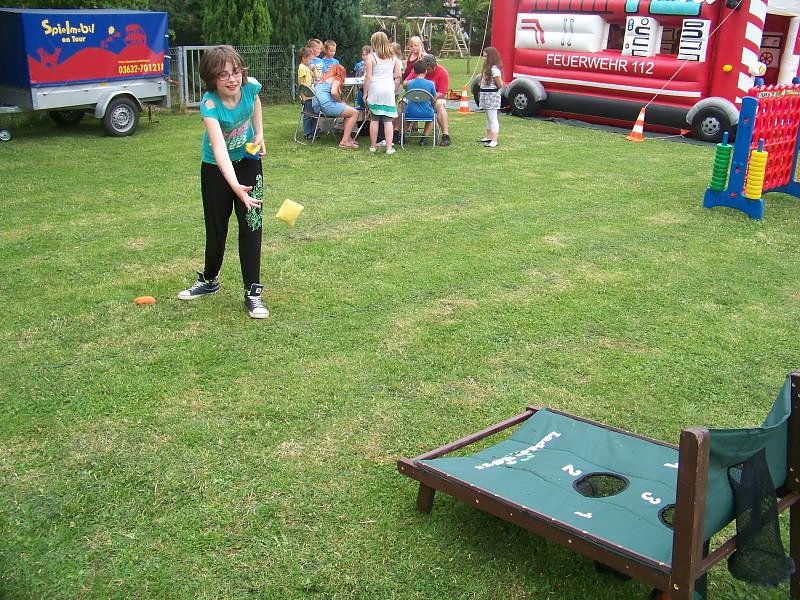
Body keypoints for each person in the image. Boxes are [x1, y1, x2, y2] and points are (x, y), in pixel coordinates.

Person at [177, 45, 269, 319]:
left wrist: (260, 132)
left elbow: (256, 101)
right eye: (223, 74)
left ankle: (253, 292)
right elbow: (218, 149)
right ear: (211, 78)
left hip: (249, 161)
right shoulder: (209, 104)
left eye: (236, 72)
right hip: (216, 169)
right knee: (217, 227)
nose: (232, 79)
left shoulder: (250, 86)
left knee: (252, 224)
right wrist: (235, 187)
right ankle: (209, 280)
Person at [364, 30, 402, 154]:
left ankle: (373, 146)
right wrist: (394, 88)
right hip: (388, 89)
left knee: (374, 119)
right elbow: (398, 75)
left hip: (375, 89)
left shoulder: (371, 57)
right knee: (388, 120)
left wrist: (365, 93)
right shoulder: (393, 57)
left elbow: (368, 77)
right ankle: (389, 148)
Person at [405, 53, 451, 146]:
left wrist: (426, 96)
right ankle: (397, 132)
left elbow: (442, 93)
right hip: (418, 97)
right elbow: (405, 82)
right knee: (401, 104)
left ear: (434, 67)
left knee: (439, 105)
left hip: (435, 98)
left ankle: (445, 135)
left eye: (428, 69)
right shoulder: (419, 69)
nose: (425, 71)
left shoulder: (442, 72)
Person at [311, 64, 359, 149]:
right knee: (355, 113)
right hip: (327, 106)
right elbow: (334, 92)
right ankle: (344, 142)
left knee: (348, 113)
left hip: (317, 107)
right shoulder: (336, 78)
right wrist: (340, 101)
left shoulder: (323, 79)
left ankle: (348, 138)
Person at [404, 61, 437, 145]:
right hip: (426, 112)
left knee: (407, 119)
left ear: (414, 71)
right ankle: (424, 138)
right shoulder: (430, 84)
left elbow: (409, 95)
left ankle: (402, 135)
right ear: (426, 71)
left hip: (411, 112)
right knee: (431, 119)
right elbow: (434, 98)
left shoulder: (409, 83)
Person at [478, 46, 504, 148]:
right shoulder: (487, 69)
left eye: (485, 56)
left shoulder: (494, 69)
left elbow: (500, 84)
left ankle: (494, 140)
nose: (483, 58)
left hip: (492, 96)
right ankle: (488, 136)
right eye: (483, 56)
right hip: (485, 95)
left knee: (493, 118)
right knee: (488, 117)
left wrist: (493, 91)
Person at [297, 46, 316, 140]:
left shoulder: (307, 68)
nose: (310, 61)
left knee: (313, 114)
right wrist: (302, 95)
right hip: (307, 96)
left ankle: (313, 132)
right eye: (309, 59)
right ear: (303, 58)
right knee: (308, 115)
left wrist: (313, 69)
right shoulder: (302, 68)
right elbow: (301, 83)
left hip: (312, 95)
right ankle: (307, 133)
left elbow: (315, 77)